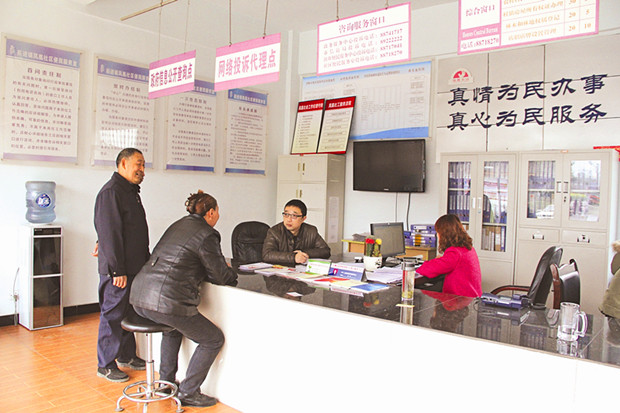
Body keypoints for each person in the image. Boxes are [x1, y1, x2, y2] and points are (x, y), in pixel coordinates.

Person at [130, 190, 237, 408]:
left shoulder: (178, 225)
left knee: (172, 329)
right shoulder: (207, 233)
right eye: (217, 212)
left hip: (140, 296)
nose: (218, 216)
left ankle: (166, 382)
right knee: (212, 339)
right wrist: (231, 273)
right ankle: (188, 391)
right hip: (166, 301)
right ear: (211, 212)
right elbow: (219, 275)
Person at [94, 148, 149, 382]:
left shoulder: (130, 192)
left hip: (133, 267)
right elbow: (109, 232)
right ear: (123, 164)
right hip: (119, 271)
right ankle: (105, 364)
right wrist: (117, 269)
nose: (142, 169)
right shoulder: (111, 192)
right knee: (113, 315)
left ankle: (126, 356)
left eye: (143, 165)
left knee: (127, 313)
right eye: (138, 164)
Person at [416, 214, 482, 298]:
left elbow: (430, 269)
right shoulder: (467, 249)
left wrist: (418, 267)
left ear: (443, 234)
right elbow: (446, 263)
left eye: (437, 232)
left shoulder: (454, 253)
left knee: (420, 294)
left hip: (460, 300)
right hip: (472, 298)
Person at [262, 199, 330, 266]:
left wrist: (303, 253)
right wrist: (293, 257)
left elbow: (325, 251)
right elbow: (267, 255)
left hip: (301, 271)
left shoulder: (311, 231)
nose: (288, 219)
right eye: (286, 214)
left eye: (294, 216)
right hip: (280, 271)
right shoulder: (274, 231)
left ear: (303, 218)